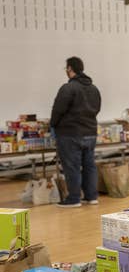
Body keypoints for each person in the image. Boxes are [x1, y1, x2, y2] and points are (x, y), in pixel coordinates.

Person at [50, 56, 101, 208]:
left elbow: (58, 110)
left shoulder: (68, 88)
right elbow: (97, 109)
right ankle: (91, 197)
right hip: (90, 133)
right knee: (89, 165)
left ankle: (74, 198)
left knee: (72, 167)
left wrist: (52, 125)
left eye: (66, 68)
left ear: (70, 69)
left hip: (71, 134)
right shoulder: (94, 88)